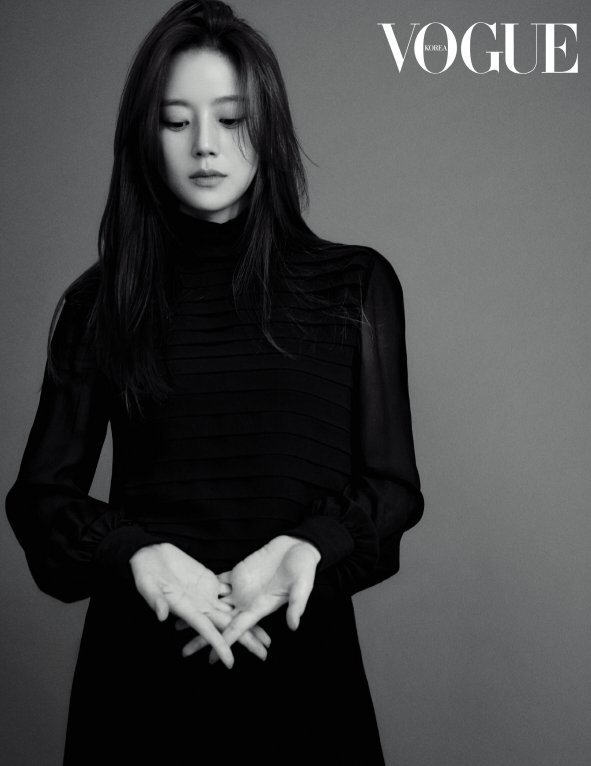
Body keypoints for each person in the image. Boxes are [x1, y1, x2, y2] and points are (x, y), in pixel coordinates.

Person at [5, 1, 425, 763]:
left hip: (304, 677)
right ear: (145, 137)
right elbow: (40, 499)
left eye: (232, 118)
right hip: (138, 685)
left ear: (270, 129)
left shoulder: (355, 285)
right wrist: (138, 553)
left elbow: (392, 487)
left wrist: (308, 546)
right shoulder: (103, 302)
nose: (205, 144)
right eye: (176, 121)